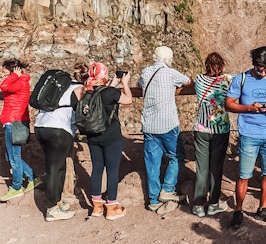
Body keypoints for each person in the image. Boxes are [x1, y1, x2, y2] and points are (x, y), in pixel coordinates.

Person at [225, 46, 266, 229]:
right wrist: (249, 108)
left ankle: (263, 207)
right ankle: (238, 210)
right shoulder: (241, 79)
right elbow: (229, 104)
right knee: (244, 175)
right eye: (259, 68)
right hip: (248, 134)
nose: (262, 72)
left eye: (265, 69)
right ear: (253, 63)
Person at [138, 46, 192, 212]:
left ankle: (153, 200)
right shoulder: (170, 73)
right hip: (167, 123)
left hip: (149, 124)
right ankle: (167, 189)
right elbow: (188, 81)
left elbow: (139, 84)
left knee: (152, 163)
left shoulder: (146, 72)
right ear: (169, 59)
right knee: (177, 155)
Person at [76, 62, 133, 220]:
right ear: (105, 75)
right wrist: (125, 84)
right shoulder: (110, 92)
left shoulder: (86, 90)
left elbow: (99, 95)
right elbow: (128, 100)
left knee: (97, 170)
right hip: (111, 137)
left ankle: (97, 207)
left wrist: (112, 84)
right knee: (112, 171)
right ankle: (112, 207)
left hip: (93, 136)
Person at [34, 64, 88, 221]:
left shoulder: (62, 86)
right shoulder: (79, 89)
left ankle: (57, 202)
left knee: (60, 167)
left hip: (41, 126)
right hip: (58, 130)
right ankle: (51, 208)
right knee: (54, 168)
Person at [191, 52, 231, 218]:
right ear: (222, 65)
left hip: (201, 128)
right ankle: (213, 204)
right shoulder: (228, 80)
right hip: (220, 129)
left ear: (206, 65)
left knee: (202, 169)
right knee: (216, 168)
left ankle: (198, 205)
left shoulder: (199, 79)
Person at [0, 58, 38, 202]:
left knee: (14, 157)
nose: (3, 75)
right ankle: (33, 178)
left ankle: (16, 187)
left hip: (14, 122)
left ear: (13, 71)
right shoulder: (18, 82)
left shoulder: (19, 81)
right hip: (12, 121)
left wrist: (15, 75)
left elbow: (3, 86)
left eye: (4, 72)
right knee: (10, 156)